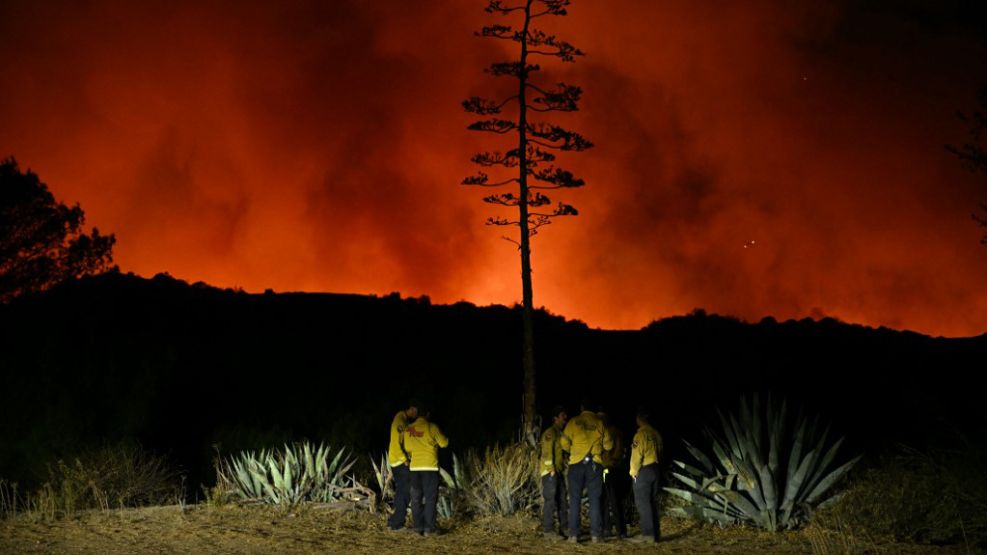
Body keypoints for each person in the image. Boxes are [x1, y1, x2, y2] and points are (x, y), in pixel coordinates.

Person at [560, 400, 612, 543]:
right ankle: (596, 535)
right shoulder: (600, 423)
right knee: (595, 500)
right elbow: (609, 445)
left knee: (575, 499)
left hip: (576, 464)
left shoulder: (573, 422)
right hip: (595, 465)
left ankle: (574, 535)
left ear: (582, 408)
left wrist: (574, 450)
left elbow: (564, 443)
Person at [403, 404, 449, 536]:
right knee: (430, 498)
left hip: (415, 468)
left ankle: (418, 528)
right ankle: (429, 528)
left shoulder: (408, 429)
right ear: (427, 415)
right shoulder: (432, 427)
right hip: (429, 467)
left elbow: (407, 448)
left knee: (416, 498)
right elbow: (444, 443)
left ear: (417, 415)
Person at [628, 406, 663, 544]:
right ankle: (656, 534)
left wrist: (633, 472)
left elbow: (636, 455)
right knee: (651, 502)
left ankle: (648, 535)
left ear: (639, 419)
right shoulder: (656, 434)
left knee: (643, 503)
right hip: (655, 468)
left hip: (644, 470)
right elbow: (660, 450)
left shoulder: (640, 435)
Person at [386, 400, 419, 531]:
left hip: (398, 461)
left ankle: (394, 521)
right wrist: (405, 459)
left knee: (402, 491)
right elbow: (395, 443)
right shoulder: (400, 421)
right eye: (416, 411)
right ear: (411, 409)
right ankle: (396, 523)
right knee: (404, 491)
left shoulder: (403, 420)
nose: (416, 414)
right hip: (399, 462)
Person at [540, 406, 569, 540]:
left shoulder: (559, 433)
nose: (565, 419)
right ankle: (548, 531)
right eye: (562, 416)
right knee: (550, 501)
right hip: (550, 472)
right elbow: (546, 453)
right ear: (555, 418)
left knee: (562, 500)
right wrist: (551, 469)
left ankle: (564, 529)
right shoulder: (550, 433)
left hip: (557, 471)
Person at [598, 408, 627, 540]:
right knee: (608, 499)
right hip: (609, 469)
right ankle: (613, 529)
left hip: (608, 469)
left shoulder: (610, 432)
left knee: (611, 499)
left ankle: (617, 530)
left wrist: (612, 462)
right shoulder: (612, 431)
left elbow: (618, 450)